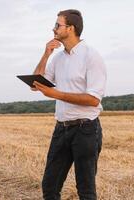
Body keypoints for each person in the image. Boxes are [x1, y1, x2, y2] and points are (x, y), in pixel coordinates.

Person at [32, 9, 106, 200]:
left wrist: (56, 94)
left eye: (58, 25)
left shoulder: (91, 56)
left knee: (86, 190)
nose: (54, 28)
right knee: (49, 186)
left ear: (70, 28)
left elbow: (93, 99)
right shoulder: (58, 58)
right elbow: (36, 84)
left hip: (86, 129)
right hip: (61, 129)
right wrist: (46, 54)